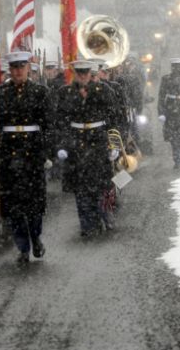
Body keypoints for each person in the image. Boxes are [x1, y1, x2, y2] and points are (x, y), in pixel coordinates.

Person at [0, 51, 55, 263]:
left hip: (33, 150)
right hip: (10, 152)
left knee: (34, 201)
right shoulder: (0, 92)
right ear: (10, 70)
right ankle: (22, 246)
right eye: (14, 68)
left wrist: (47, 152)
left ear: (28, 69)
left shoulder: (40, 92)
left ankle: (35, 236)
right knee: (13, 203)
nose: (18, 71)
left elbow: (48, 125)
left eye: (22, 67)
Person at [54, 59, 122, 236]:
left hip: (98, 140)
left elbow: (114, 118)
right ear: (75, 73)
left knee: (102, 183)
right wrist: (62, 145)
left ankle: (105, 212)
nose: (83, 76)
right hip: (76, 143)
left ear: (91, 73)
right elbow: (60, 122)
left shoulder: (103, 90)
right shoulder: (65, 92)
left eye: (85, 72)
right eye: (79, 72)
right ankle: (87, 223)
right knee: (81, 187)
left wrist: (114, 144)